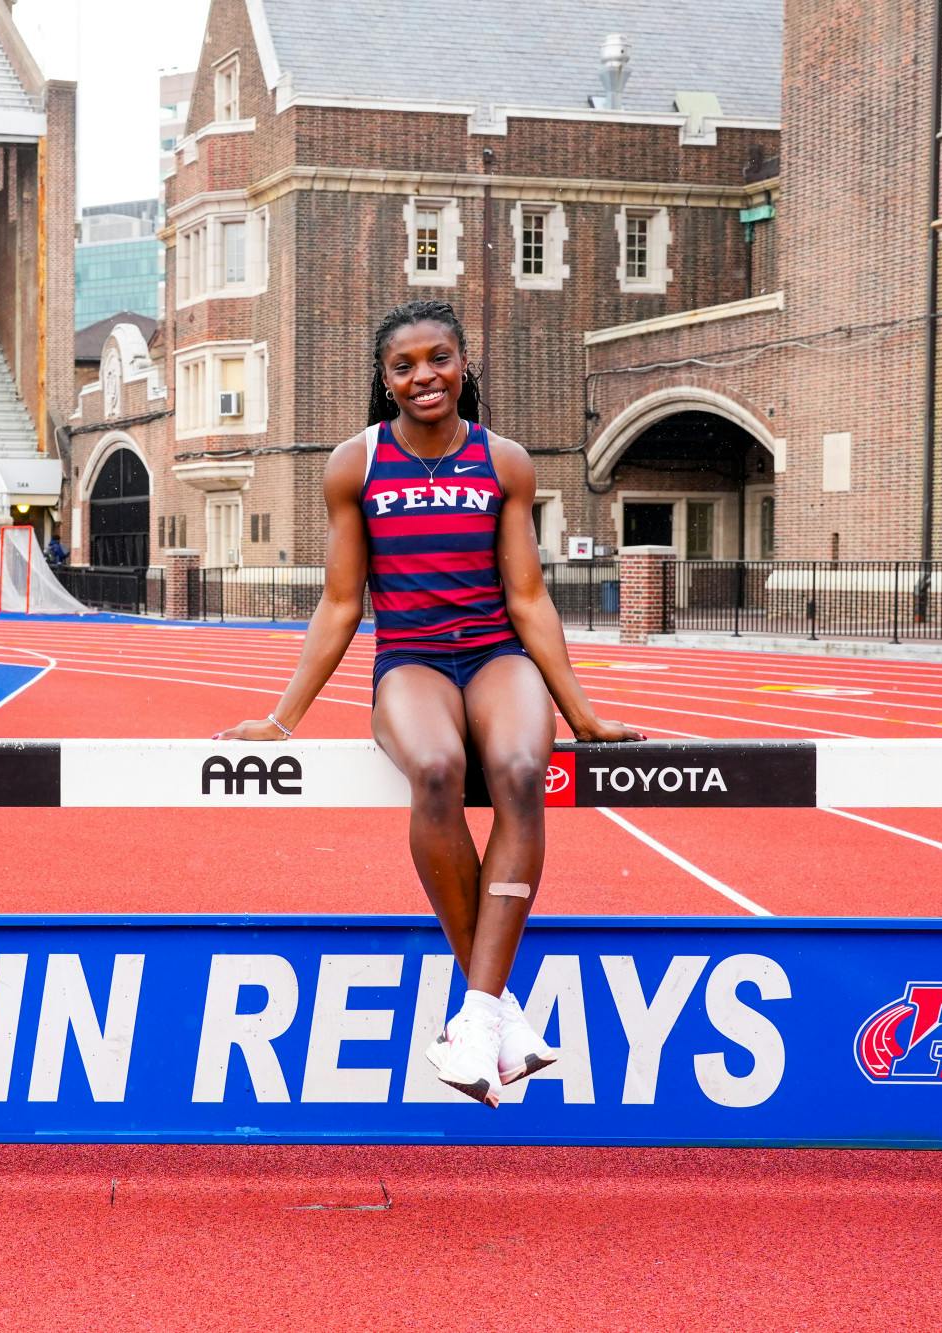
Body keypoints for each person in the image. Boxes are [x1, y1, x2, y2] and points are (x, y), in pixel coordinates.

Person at [216, 300, 644, 1106]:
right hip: (410, 659)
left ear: (464, 363)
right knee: (439, 768)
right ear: (385, 380)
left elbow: (528, 596)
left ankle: (475, 1016)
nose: (424, 376)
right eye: (404, 365)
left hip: (495, 654)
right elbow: (341, 602)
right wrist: (281, 718)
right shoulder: (355, 465)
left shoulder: (504, 462)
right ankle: (495, 1015)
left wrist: (581, 712)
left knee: (521, 770)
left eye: (439, 358)